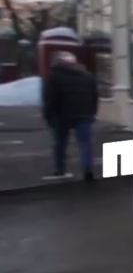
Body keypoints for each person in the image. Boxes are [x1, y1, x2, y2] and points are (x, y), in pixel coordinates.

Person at [41, 50, 100, 181]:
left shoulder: (53, 77)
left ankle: (60, 169)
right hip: (84, 114)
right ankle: (87, 168)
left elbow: (49, 98)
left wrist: (48, 115)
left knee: (60, 142)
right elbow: (94, 96)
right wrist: (92, 112)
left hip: (61, 114)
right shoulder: (87, 77)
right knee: (85, 142)